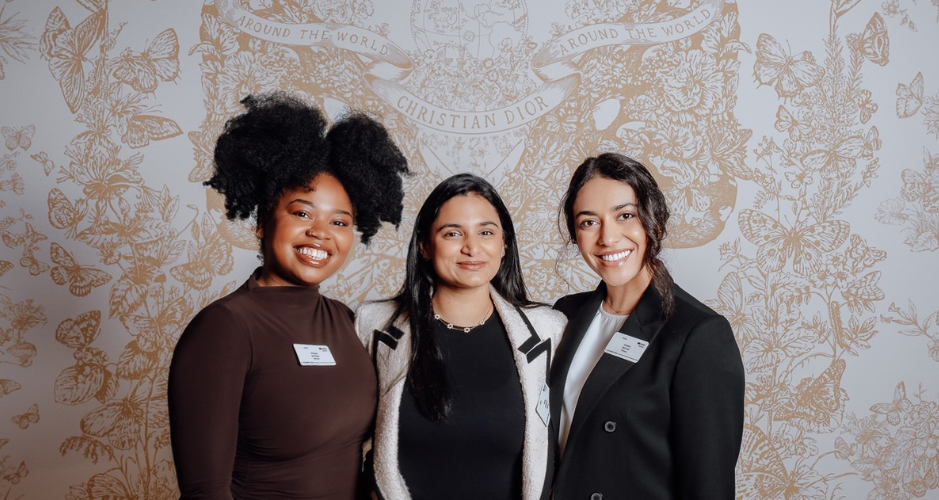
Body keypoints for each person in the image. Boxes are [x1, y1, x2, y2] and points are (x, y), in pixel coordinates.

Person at [168, 92, 408, 500]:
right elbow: (205, 491)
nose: (321, 232)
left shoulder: (347, 321)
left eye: (340, 221)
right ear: (263, 222)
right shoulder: (225, 329)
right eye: (302, 213)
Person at [355, 173, 566, 500]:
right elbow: (351, 436)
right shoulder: (374, 324)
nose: (472, 247)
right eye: (453, 233)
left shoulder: (549, 330)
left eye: (486, 232)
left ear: (504, 244)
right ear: (425, 245)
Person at [550, 153, 745, 500]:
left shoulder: (697, 335)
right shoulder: (565, 315)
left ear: (654, 223)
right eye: (588, 222)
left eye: (625, 216)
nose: (607, 238)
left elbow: (708, 488)